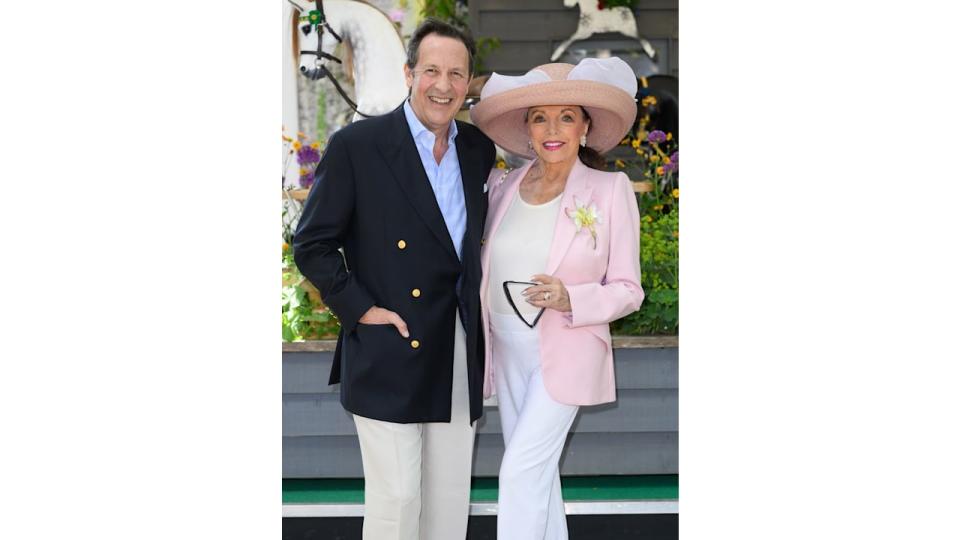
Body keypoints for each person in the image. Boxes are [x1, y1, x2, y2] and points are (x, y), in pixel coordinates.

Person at [292, 18, 495, 540]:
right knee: (398, 498)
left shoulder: (477, 150)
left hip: (456, 341)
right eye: (431, 70)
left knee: (449, 498)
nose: (443, 85)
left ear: (469, 82)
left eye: (456, 73)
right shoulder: (358, 146)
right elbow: (311, 243)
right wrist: (360, 308)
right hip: (389, 339)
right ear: (409, 73)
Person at [469, 57, 645, 539]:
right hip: (504, 348)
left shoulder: (610, 190)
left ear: (585, 127)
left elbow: (630, 289)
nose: (553, 129)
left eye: (567, 116)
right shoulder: (501, 186)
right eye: (540, 117)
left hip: (566, 350)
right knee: (538, 478)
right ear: (526, 128)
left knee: (519, 472)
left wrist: (573, 298)